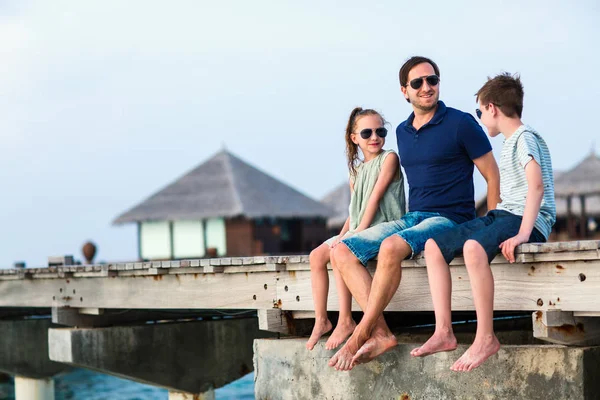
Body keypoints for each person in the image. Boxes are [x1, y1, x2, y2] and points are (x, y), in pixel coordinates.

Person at [328, 56, 500, 371]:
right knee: (341, 251)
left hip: (449, 219)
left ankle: (361, 331)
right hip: (413, 216)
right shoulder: (404, 132)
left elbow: (492, 175)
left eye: (432, 80)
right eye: (417, 83)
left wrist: (492, 227)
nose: (426, 87)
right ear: (404, 91)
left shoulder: (461, 123)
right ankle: (380, 332)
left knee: (391, 247)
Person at [411, 73, 556, 371]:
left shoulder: (524, 138)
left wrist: (523, 234)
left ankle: (485, 337)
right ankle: (443, 331)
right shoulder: (509, 141)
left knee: (474, 249)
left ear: (492, 108)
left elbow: (536, 187)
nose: (479, 119)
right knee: (435, 245)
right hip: (504, 214)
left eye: (479, 112)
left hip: (526, 219)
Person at [306, 107, 406, 351]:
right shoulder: (356, 171)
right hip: (361, 224)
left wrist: (357, 231)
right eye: (367, 132)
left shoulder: (389, 158)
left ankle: (345, 320)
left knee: (341, 249)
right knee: (317, 255)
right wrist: (342, 234)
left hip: (385, 225)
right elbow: (355, 210)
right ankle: (322, 320)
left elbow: (374, 198)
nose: (374, 137)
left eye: (380, 131)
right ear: (354, 138)